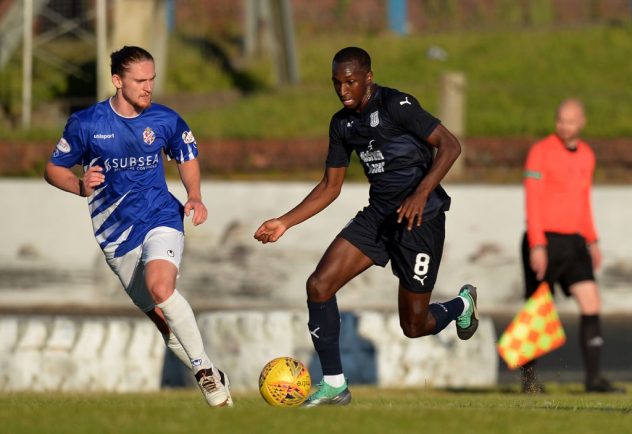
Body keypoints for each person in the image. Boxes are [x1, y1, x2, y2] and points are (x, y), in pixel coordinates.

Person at [254, 46, 478, 407]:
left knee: (414, 325)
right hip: (378, 217)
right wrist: (285, 222)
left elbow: (450, 146)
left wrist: (421, 193)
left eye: (350, 82)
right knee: (319, 285)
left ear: (368, 79)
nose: (343, 90)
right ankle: (334, 385)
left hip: (420, 221)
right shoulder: (341, 124)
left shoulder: (396, 105)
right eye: (337, 83)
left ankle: (461, 304)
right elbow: (330, 186)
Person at [44, 46, 232, 407]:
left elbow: (187, 156)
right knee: (164, 321)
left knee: (161, 286)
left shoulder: (165, 119)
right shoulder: (86, 124)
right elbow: (54, 169)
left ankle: (204, 373)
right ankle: (209, 370)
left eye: (152, 80)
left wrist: (194, 195)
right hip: (115, 238)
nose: (148, 87)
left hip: (161, 217)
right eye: (140, 81)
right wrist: (79, 186)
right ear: (117, 81)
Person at [520, 98, 623, 394]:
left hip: (575, 241)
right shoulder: (540, 152)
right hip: (545, 240)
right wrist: (537, 244)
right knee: (539, 309)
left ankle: (593, 380)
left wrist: (592, 239)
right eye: (559, 120)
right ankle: (529, 382)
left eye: (570, 121)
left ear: (582, 122)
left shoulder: (587, 155)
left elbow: (583, 201)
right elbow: (533, 201)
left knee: (592, 302)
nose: (563, 126)